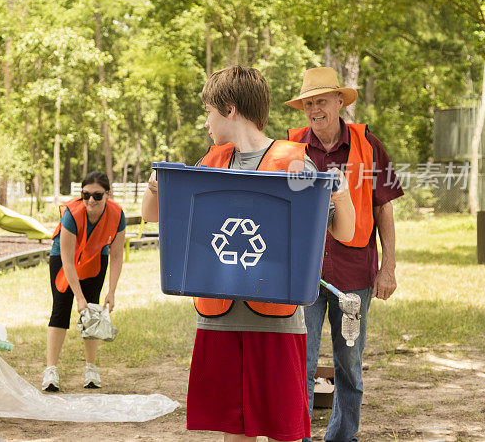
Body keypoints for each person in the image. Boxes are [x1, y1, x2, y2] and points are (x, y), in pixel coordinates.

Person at [142, 66, 355, 442]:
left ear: (230, 109)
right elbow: (152, 216)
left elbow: (345, 231)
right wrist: (156, 187)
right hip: (220, 318)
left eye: (209, 111)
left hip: (275, 322)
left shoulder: (293, 162)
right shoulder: (211, 161)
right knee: (233, 429)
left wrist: (340, 192)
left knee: (282, 430)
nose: (206, 122)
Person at [285, 66, 404, 442]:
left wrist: (388, 268)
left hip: (354, 275)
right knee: (299, 363)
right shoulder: (288, 148)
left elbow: (384, 206)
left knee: (349, 364)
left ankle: (342, 436)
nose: (314, 109)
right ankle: (299, 436)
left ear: (340, 101)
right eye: (308, 103)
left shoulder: (369, 145)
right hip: (303, 275)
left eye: (321, 101)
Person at [42, 171, 126, 392]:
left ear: (108, 194)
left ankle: (91, 368)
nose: (91, 200)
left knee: (93, 310)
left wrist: (112, 291)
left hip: (96, 257)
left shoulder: (117, 215)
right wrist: (78, 297)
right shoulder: (72, 214)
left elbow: (117, 256)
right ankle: (50, 370)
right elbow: (68, 261)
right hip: (64, 258)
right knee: (60, 309)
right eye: (86, 194)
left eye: (97, 196)